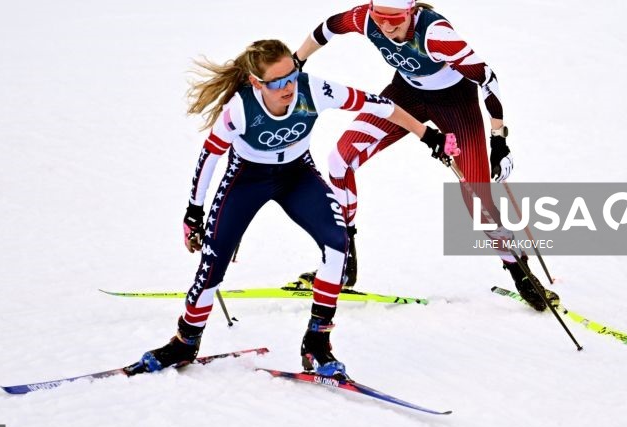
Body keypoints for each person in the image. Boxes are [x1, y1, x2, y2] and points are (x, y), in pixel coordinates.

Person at [137, 39, 459, 376]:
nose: (288, 87)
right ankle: (185, 342)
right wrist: (194, 212)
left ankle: (317, 344)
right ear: (256, 83)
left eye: (291, 75)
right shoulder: (239, 109)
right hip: (246, 180)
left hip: (297, 175)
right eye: (277, 82)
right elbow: (210, 157)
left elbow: (378, 104)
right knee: (213, 262)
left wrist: (427, 135)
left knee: (338, 244)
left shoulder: (312, 89)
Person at [293, 0, 557, 311]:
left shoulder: (437, 35)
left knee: (476, 201)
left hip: (456, 107)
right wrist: (298, 60)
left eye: (396, 19)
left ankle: (518, 269)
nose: (387, 27)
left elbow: (488, 79)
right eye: (380, 17)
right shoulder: (366, 19)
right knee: (339, 160)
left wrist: (499, 138)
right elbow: (328, 28)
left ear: (412, 9)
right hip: (404, 97)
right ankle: (344, 258)